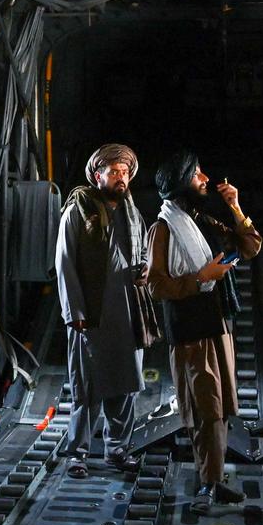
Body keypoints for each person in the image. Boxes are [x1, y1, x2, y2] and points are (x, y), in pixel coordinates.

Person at [146, 150, 262, 514]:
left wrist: (236, 206)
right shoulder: (164, 229)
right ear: (182, 181)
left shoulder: (202, 220)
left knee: (221, 406)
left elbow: (249, 246)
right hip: (191, 332)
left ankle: (213, 479)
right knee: (204, 408)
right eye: (197, 173)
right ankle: (209, 483)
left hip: (217, 326)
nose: (205, 178)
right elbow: (156, 285)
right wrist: (201, 279)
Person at [55, 143, 160, 478]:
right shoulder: (79, 210)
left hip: (127, 310)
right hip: (92, 313)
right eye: (114, 172)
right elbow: (64, 262)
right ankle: (78, 453)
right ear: (97, 175)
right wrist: (74, 311)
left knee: (125, 383)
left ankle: (117, 449)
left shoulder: (132, 211)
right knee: (88, 387)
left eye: (125, 172)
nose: (121, 177)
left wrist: (145, 268)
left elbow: (143, 251)